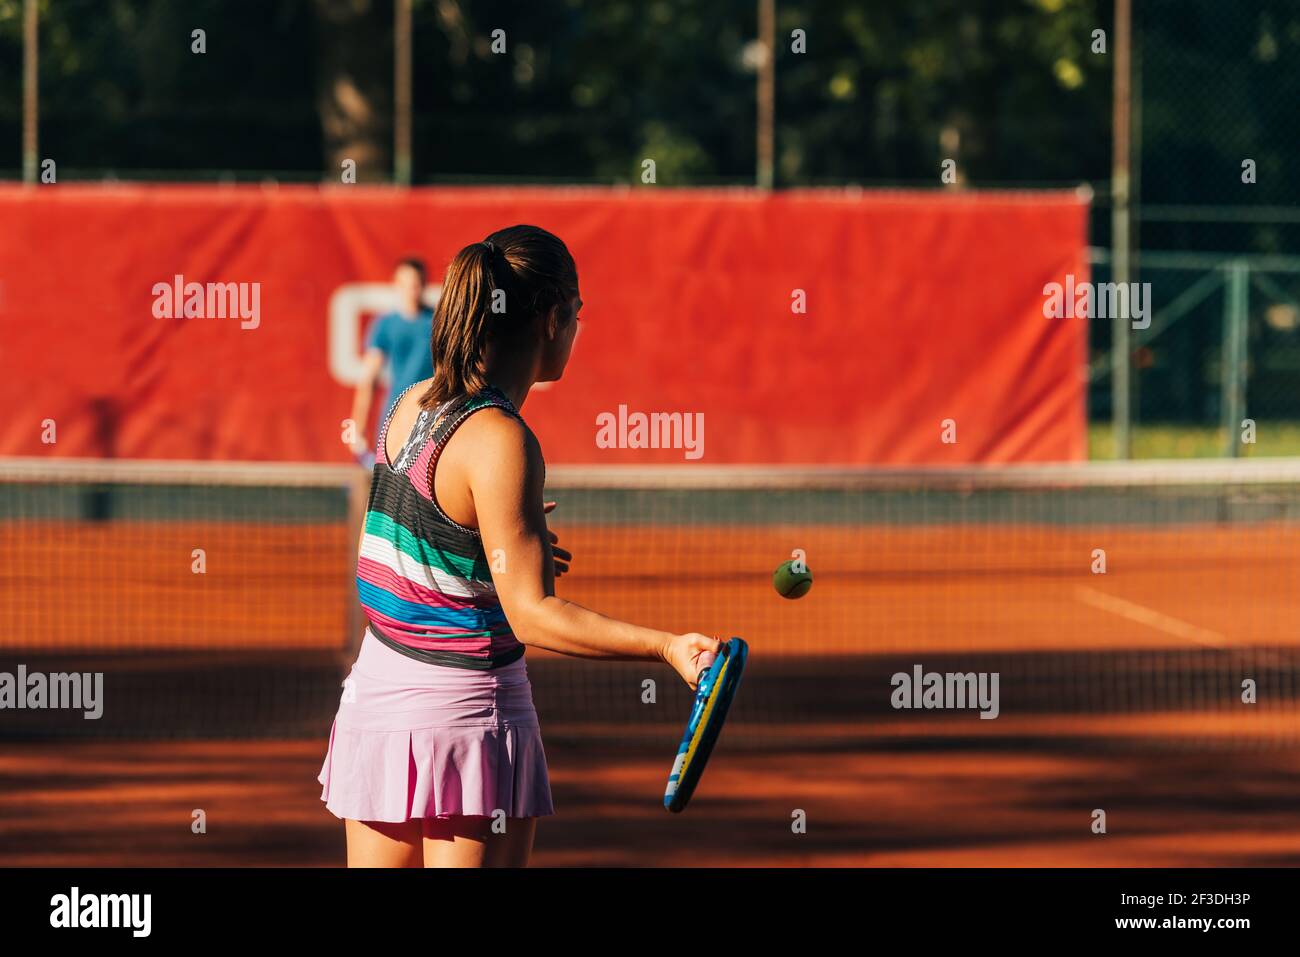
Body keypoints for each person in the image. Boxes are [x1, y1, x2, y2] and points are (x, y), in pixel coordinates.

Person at [318, 225, 720, 867]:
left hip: (376, 706)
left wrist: (496, 547)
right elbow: (531, 614)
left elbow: (412, 541)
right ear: (551, 319)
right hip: (468, 720)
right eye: (578, 315)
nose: (577, 331)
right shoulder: (502, 439)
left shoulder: (409, 401)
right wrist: (666, 646)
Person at [348, 257, 435, 461]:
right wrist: (358, 427)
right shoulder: (385, 325)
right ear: (396, 285)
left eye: (416, 283)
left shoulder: (438, 322)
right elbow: (369, 378)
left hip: (432, 415)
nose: (411, 290)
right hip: (395, 415)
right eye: (405, 284)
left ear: (423, 284)